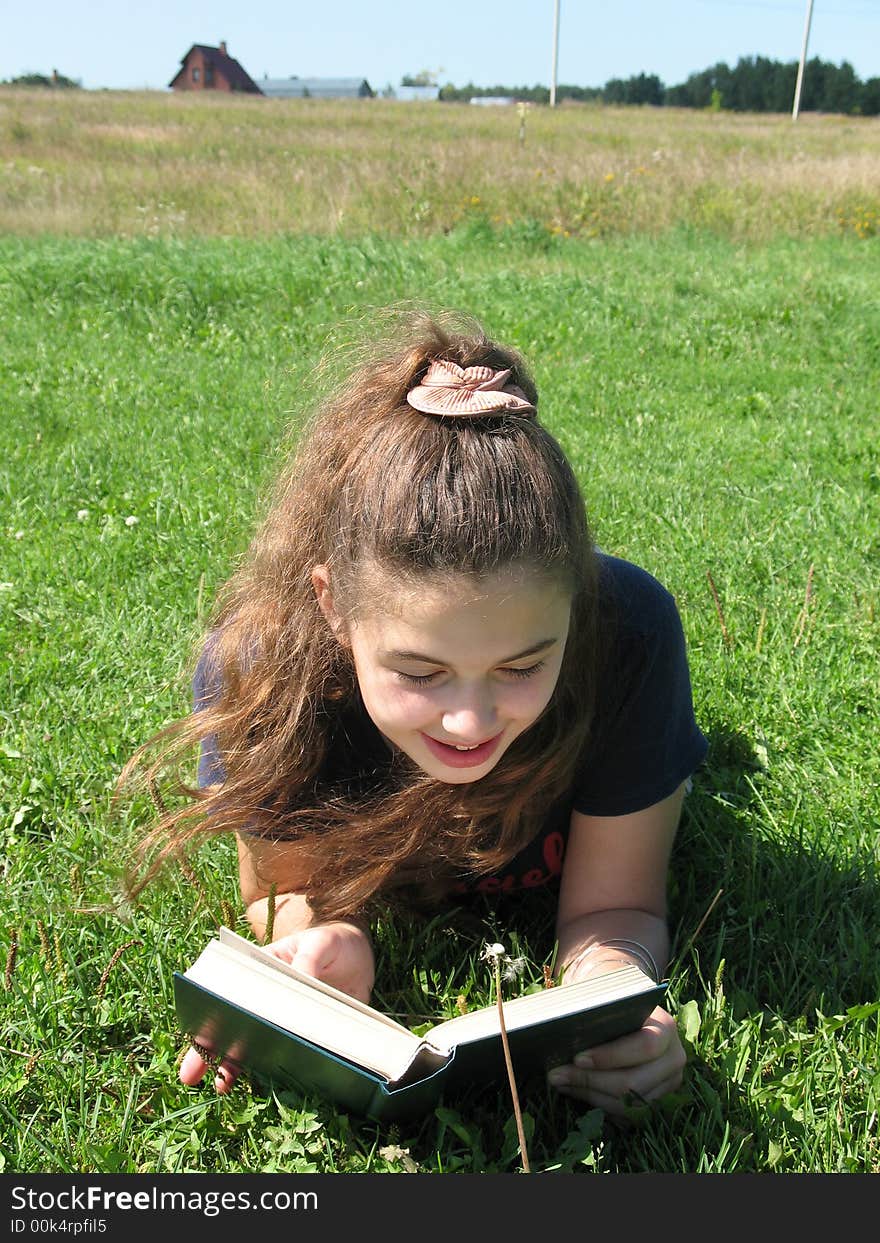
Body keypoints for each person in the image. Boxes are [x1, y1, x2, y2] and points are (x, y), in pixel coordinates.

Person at [127, 309, 707, 1117]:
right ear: (332, 607)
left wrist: (614, 993)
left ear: (576, 604)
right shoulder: (261, 670)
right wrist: (329, 938)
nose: (469, 721)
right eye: (420, 671)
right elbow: (280, 887)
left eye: (521, 665)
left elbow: (617, 907)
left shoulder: (628, 634)